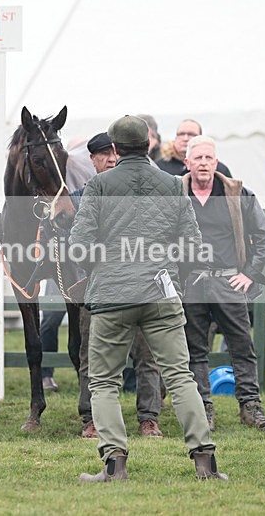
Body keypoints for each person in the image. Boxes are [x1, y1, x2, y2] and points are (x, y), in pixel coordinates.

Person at [70, 115, 225, 482]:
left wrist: (102, 267)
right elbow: (193, 245)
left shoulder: (100, 185)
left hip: (111, 294)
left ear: (115, 149)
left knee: (104, 382)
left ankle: (114, 466)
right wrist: (175, 278)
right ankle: (205, 463)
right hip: (161, 291)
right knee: (180, 376)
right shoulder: (172, 184)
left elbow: (78, 246)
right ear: (149, 144)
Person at [70, 132, 165, 439]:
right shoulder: (77, 197)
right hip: (98, 286)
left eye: (115, 153)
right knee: (92, 357)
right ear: (93, 160)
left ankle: (149, 418)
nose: (112, 159)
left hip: (142, 283)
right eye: (104, 155)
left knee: (147, 355)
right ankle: (92, 418)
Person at [181, 135, 265, 432]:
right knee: (194, 350)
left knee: (242, 346)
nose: (204, 163)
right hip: (191, 283)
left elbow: (263, 237)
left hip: (229, 282)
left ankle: (251, 408)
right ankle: (203, 410)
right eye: (198, 158)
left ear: (216, 160)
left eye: (209, 158)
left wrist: (248, 273)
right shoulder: (175, 193)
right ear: (187, 163)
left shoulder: (237, 193)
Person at [157, 119, 232, 177]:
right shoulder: (158, 168)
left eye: (191, 134)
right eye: (181, 134)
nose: (185, 138)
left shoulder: (218, 170)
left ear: (200, 137)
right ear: (175, 138)